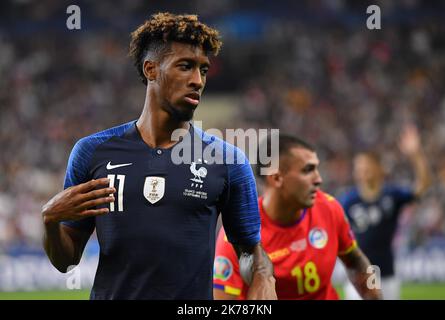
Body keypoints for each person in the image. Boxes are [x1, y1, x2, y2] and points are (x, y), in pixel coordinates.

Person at [41, 12, 277, 300]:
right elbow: (66, 260)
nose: (198, 80)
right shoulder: (92, 152)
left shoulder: (228, 161)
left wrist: (264, 276)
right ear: (151, 69)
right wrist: (51, 222)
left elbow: (249, 251)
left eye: (203, 69)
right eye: (185, 66)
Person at [213, 134, 382, 300]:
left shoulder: (329, 208)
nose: (319, 179)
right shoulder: (237, 235)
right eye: (308, 170)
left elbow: (356, 262)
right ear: (277, 177)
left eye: (317, 168)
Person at [339, 124, 431, 300]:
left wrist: (416, 154)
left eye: (366, 165)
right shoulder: (348, 201)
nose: (361, 170)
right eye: (358, 166)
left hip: (387, 276)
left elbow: (422, 186)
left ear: (379, 168)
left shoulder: (392, 195)